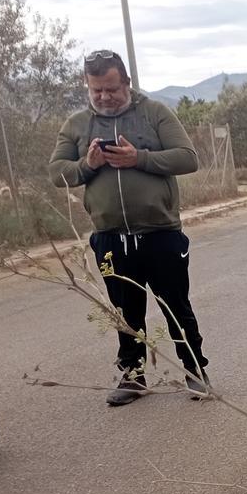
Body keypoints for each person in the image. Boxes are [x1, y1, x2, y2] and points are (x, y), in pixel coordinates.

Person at [48, 49, 211, 406]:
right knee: (125, 314)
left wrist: (140, 158)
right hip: (109, 239)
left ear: (127, 83)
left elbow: (188, 158)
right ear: (87, 87)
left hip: (160, 235)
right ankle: (133, 377)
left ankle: (196, 372)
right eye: (96, 91)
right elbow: (57, 173)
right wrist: (87, 165)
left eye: (111, 89)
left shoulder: (155, 113)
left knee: (175, 307)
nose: (104, 97)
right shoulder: (76, 124)